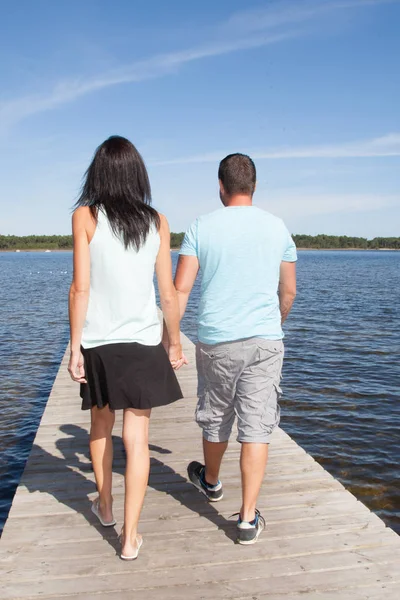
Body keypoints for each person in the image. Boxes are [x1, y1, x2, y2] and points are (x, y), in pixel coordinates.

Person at [68, 135, 185, 560]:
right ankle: (130, 538)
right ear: (138, 174)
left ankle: (105, 506)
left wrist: (74, 346)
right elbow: (167, 293)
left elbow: (80, 289)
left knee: (101, 425)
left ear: (98, 173)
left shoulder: (86, 216)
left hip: (99, 343)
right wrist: (173, 341)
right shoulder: (157, 220)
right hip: (142, 342)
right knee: (137, 439)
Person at [174, 153, 297, 545]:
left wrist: (170, 337)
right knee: (256, 426)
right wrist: (272, 324)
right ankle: (246, 520)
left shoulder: (200, 226)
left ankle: (210, 481)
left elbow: (181, 289)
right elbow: (289, 291)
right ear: (255, 186)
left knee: (216, 416)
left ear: (221, 187)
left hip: (216, 340)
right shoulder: (277, 227)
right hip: (265, 339)